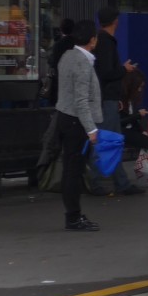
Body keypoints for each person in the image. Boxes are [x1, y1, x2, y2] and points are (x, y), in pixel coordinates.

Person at [54, 19, 101, 231]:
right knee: (75, 170)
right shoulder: (83, 63)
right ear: (92, 40)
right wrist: (91, 129)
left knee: (70, 170)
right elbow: (81, 100)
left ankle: (72, 214)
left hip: (64, 116)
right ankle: (73, 217)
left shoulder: (67, 56)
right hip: (77, 122)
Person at [93, 6, 142, 195]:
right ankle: (101, 182)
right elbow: (107, 72)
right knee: (108, 141)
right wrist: (124, 70)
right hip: (107, 99)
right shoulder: (107, 43)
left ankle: (118, 182)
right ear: (115, 21)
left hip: (107, 98)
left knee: (110, 141)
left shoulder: (101, 41)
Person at [37, 18, 77, 171]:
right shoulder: (77, 46)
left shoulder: (59, 45)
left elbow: (53, 64)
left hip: (60, 91)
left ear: (61, 29)